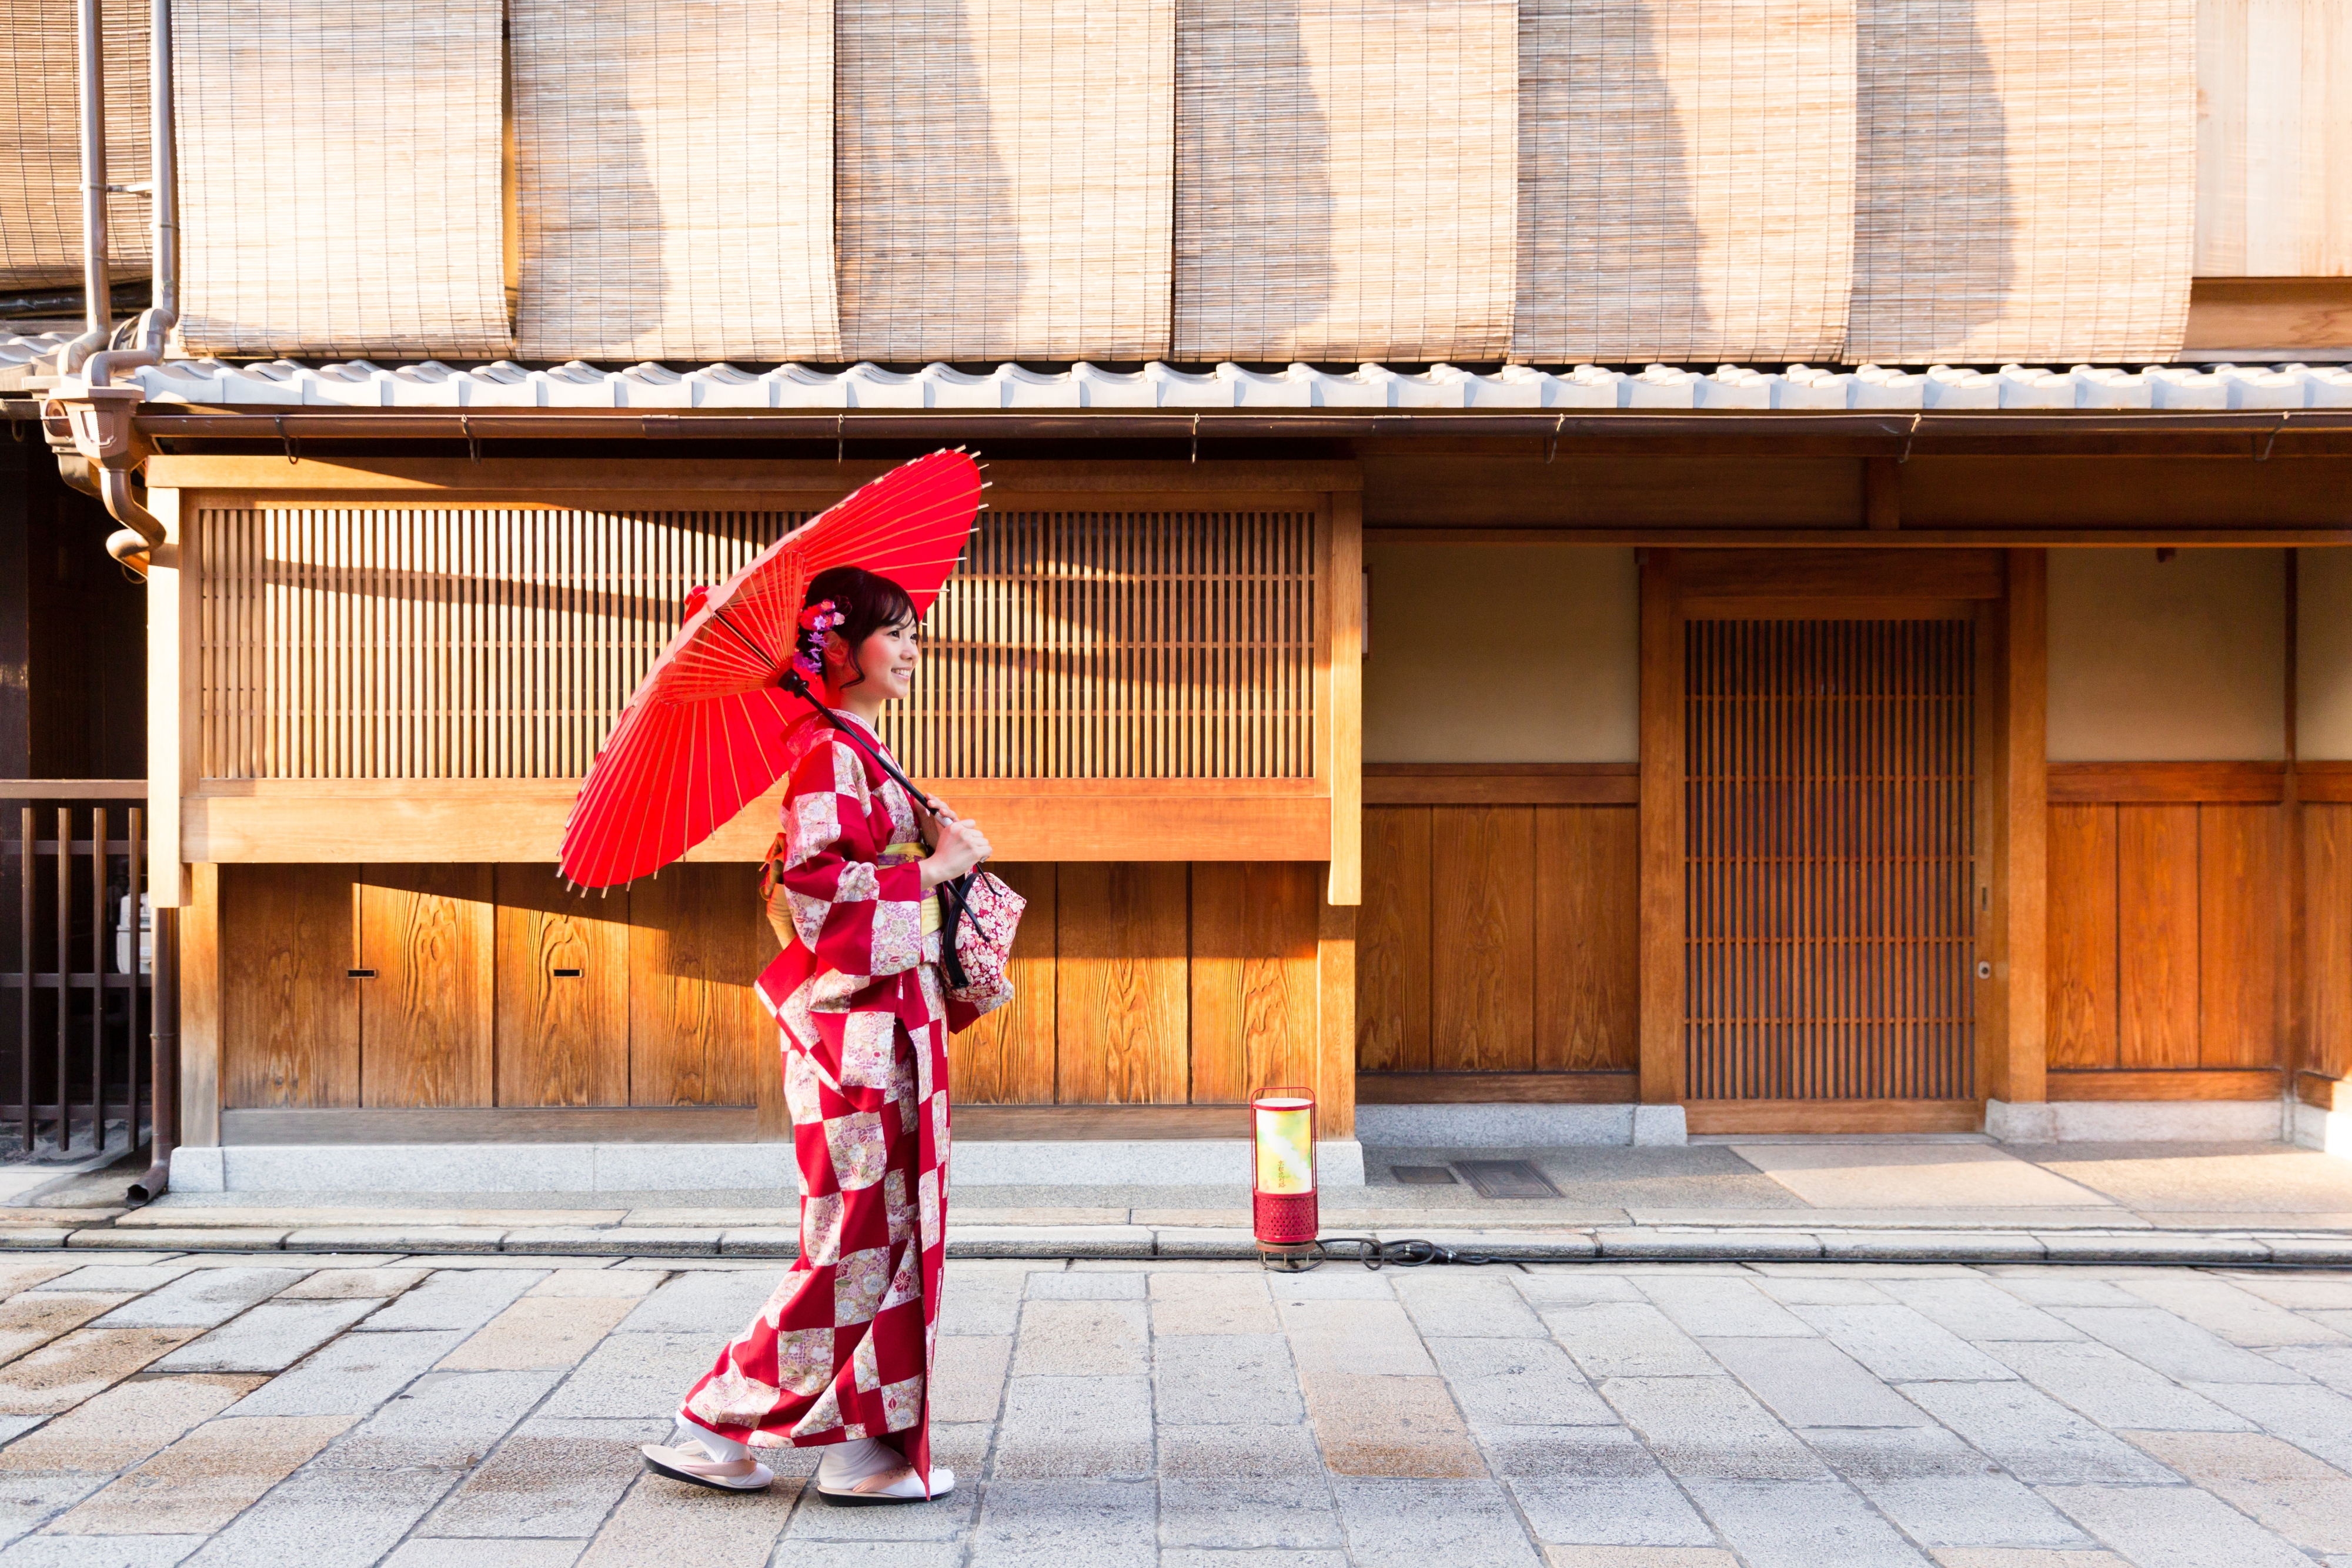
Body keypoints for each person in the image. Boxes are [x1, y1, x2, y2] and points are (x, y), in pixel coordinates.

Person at [639, 565, 991, 1502]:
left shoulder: (856, 748)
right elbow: (814, 896)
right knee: (850, 1237)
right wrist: (930, 871)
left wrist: (927, 838)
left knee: (891, 1233)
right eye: (894, 632)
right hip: (854, 1038)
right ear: (836, 648)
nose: (913, 648)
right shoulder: (825, 754)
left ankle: (862, 1446)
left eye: (915, 631)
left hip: (887, 1028)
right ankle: (711, 1422)